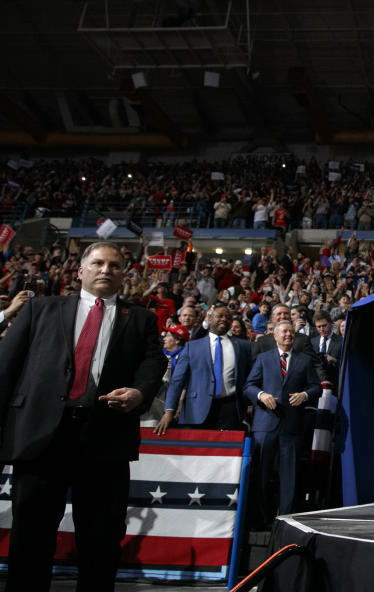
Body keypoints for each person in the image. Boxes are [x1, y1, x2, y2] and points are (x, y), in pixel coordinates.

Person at [0, 241, 165, 590]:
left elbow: (153, 365)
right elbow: (5, 368)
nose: (106, 270)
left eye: (115, 265)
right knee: (31, 537)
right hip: (40, 441)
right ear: (81, 271)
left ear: (124, 274)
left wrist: (139, 393)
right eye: (98, 263)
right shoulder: (39, 310)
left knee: (101, 541)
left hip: (105, 441)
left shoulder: (141, 319)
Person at [245, 320, 323, 517]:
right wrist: (262, 395)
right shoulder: (263, 358)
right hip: (265, 424)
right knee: (261, 472)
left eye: (291, 332)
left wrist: (304, 395)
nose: (288, 335)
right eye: (284, 332)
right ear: (275, 335)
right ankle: (261, 516)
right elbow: (249, 386)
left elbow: (316, 387)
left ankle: (286, 516)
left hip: (291, 424)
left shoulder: (304, 360)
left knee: (290, 474)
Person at [155, 305, 252, 433]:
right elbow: (177, 381)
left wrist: (249, 403)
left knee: (225, 450)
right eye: (219, 316)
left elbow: (248, 378)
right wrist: (169, 412)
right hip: (196, 409)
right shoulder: (192, 347)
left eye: (228, 317)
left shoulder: (243, 346)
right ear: (210, 318)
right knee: (195, 450)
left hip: (230, 409)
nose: (224, 319)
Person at [311, 310, 343, 383]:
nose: (322, 329)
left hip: (335, 384)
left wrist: (335, 360)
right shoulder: (312, 342)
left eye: (324, 325)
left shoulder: (341, 341)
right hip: (317, 384)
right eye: (318, 327)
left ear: (331, 324)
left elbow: (346, 365)